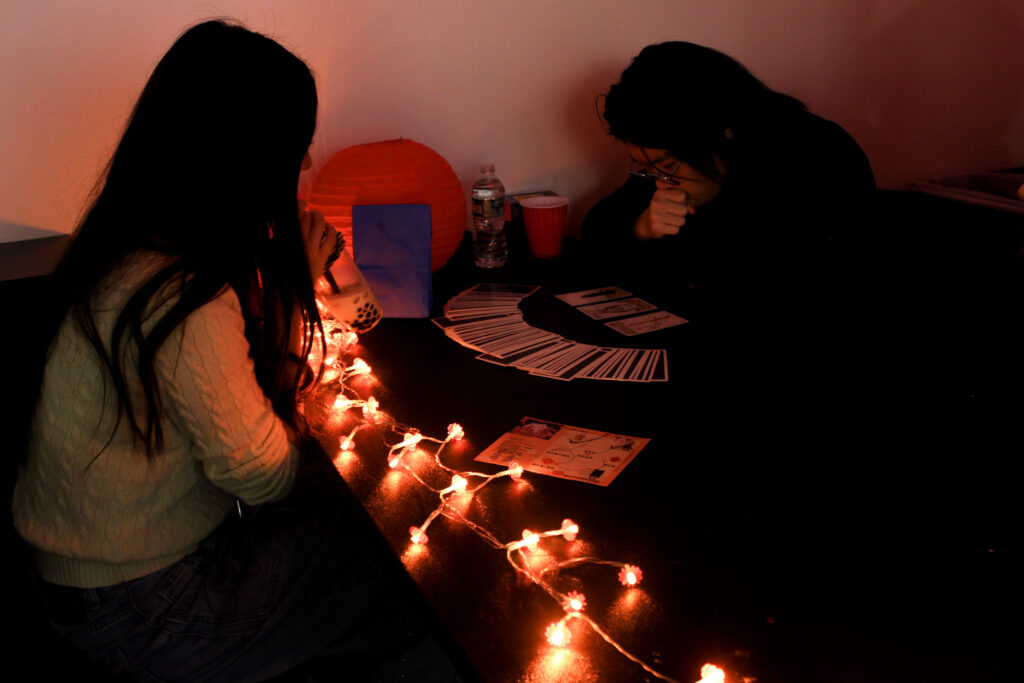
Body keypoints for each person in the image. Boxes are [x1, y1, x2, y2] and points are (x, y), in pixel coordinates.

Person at [11, 20, 458, 682]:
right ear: (243, 155)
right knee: (419, 572)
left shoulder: (137, 245)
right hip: (140, 604)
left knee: (372, 533)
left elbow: (357, 320)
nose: (305, 164)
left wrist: (321, 282)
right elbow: (262, 474)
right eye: (296, 147)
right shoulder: (180, 292)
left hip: (92, 577)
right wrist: (291, 296)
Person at [582, 41, 876, 326]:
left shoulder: (816, 158)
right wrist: (643, 226)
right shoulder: (671, 160)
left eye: (667, 166)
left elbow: (774, 289)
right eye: (648, 169)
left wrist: (709, 205)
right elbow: (597, 229)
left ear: (722, 132)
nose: (660, 182)